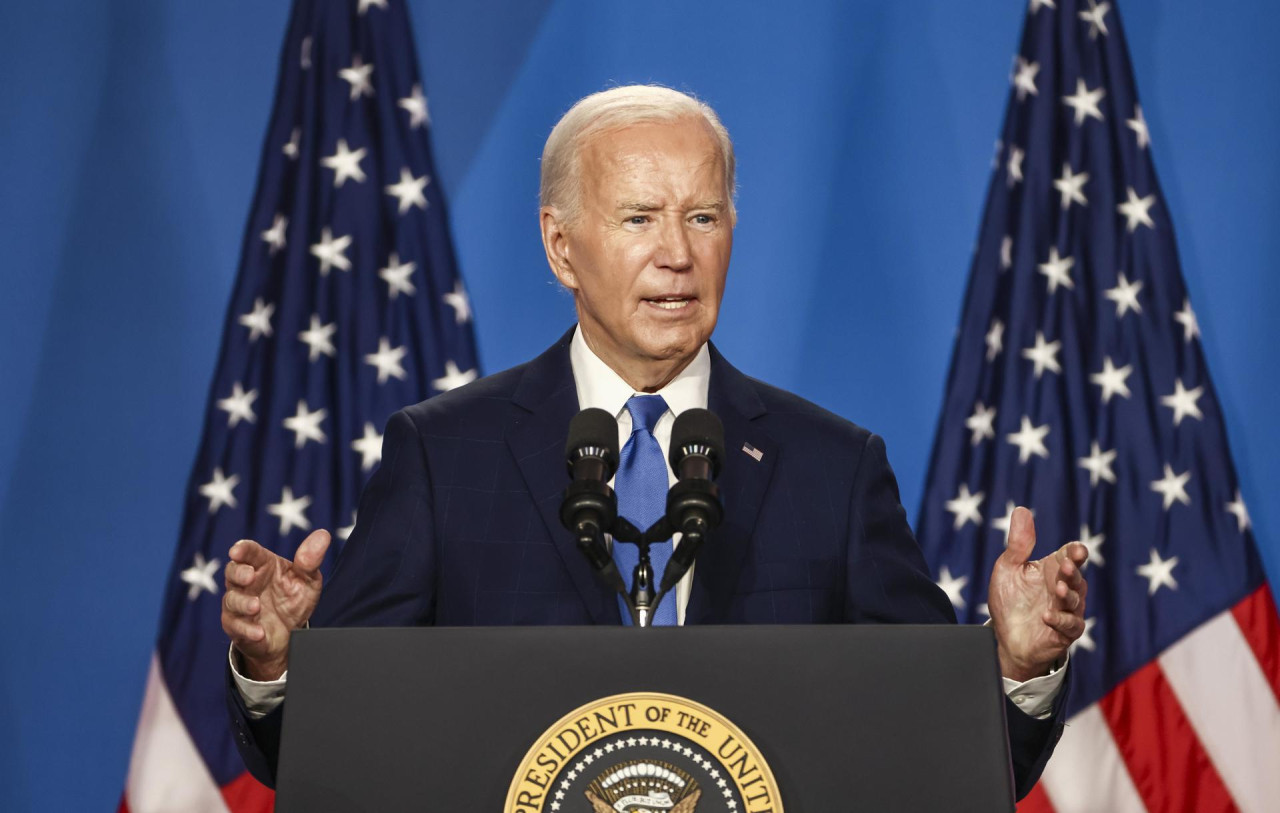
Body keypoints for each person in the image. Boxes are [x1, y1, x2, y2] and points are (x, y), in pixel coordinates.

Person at [221, 85, 1089, 795]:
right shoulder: (445, 457)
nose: (677, 253)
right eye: (640, 218)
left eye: (704, 218)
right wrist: (283, 666)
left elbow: (936, 755)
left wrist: (1012, 667)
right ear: (562, 247)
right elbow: (333, 757)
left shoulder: (832, 467)